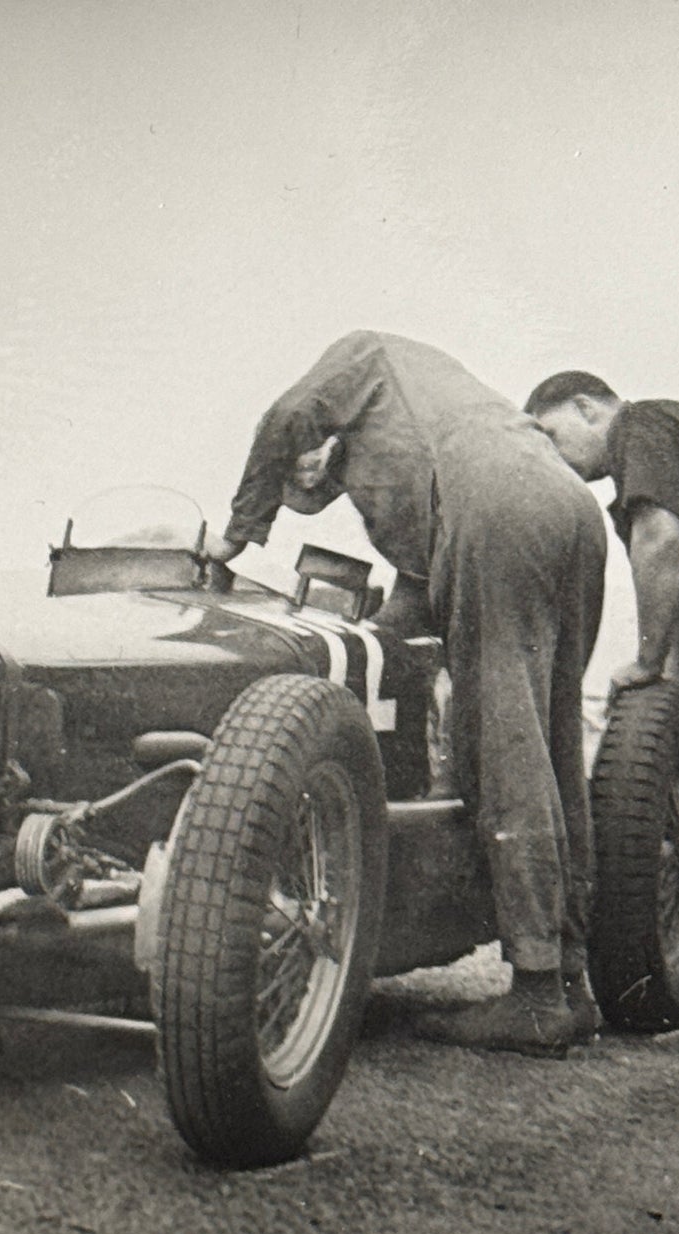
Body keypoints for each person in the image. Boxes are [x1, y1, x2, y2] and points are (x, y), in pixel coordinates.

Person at [207, 332, 607, 1056]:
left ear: (320, 445)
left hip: (503, 506)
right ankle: (572, 981)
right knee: (549, 740)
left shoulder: (360, 355)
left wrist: (235, 537)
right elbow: (421, 593)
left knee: (502, 743)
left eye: (305, 478)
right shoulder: (418, 422)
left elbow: (283, 418)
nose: (312, 487)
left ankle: (537, 992)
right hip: (566, 506)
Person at [524, 372, 679, 694]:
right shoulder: (661, 445)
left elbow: (660, 540)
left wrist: (646, 664)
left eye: (551, 437)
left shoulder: (638, 425)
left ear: (584, 408)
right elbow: (675, 601)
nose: (555, 459)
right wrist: (658, 695)